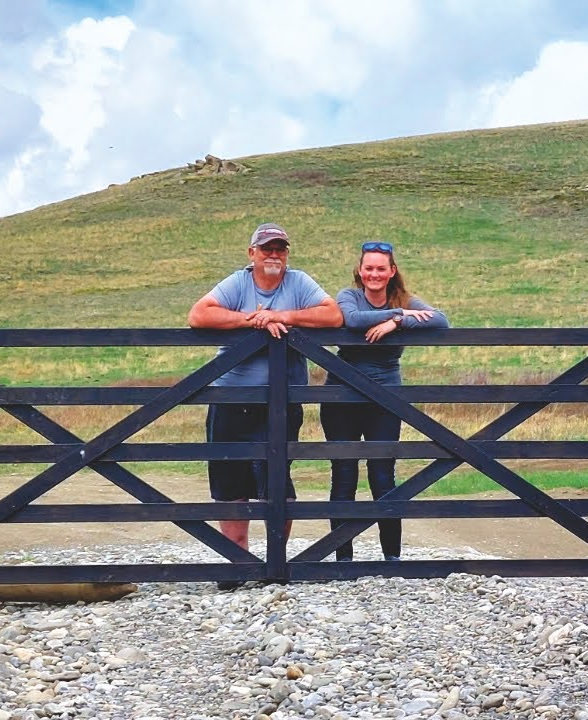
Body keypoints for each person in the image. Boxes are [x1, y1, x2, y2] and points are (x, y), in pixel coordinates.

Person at [187, 222, 342, 587]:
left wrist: (282, 316)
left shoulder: (299, 282)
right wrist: (250, 320)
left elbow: (333, 315)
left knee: (276, 480)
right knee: (229, 481)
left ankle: (274, 565)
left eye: (280, 249)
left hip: (280, 402)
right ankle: (236, 564)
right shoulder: (238, 283)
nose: (274, 255)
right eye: (267, 248)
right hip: (231, 397)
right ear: (252, 253)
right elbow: (198, 315)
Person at [320, 240, 449, 562]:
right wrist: (401, 314)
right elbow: (351, 319)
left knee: (383, 474)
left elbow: (441, 320)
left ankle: (391, 556)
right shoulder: (348, 296)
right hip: (341, 397)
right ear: (360, 271)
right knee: (344, 473)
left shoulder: (404, 300)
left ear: (392, 272)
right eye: (368, 268)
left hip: (385, 397)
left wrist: (396, 321)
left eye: (381, 268)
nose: (374, 274)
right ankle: (342, 557)